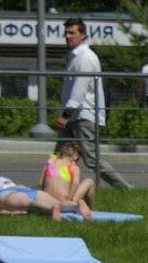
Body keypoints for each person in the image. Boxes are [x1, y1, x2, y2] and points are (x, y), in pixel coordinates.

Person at [54, 17, 131, 191]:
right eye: (66, 32)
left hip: (83, 116)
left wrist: (65, 115)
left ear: (82, 35)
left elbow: (79, 91)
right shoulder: (75, 57)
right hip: (74, 116)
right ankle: (52, 190)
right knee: (60, 157)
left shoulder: (85, 58)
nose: (67, 36)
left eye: (72, 32)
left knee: (91, 159)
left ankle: (125, 188)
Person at [0, 176, 92, 221]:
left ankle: (51, 209)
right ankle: (75, 205)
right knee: (58, 203)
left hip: (12, 197)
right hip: (31, 191)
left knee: (30, 204)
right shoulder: (19, 186)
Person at [39, 142, 96, 214]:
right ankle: (90, 209)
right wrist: (69, 199)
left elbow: (40, 182)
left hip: (47, 200)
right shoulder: (73, 167)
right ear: (75, 156)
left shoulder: (50, 162)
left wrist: (42, 197)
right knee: (89, 181)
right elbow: (75, 183)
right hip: (63, 202)